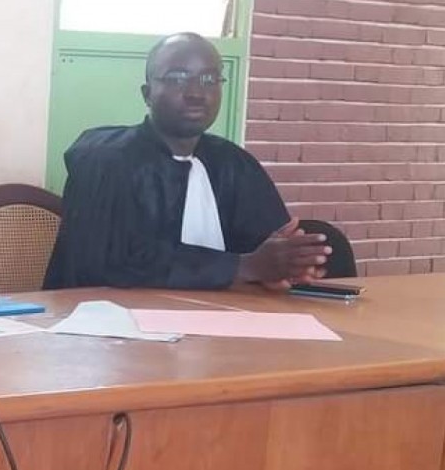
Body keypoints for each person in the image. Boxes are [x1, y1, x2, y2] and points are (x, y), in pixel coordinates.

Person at [45, 32, 330, 291]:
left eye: (209, 80)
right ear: (147, 94)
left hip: (221, 320)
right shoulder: (104, 159)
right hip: (105, 323)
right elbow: (107, 262)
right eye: (177, 78)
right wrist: (243, 267)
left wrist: (290, 264)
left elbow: (267, 246)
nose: (196, 93)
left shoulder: (234, 164)